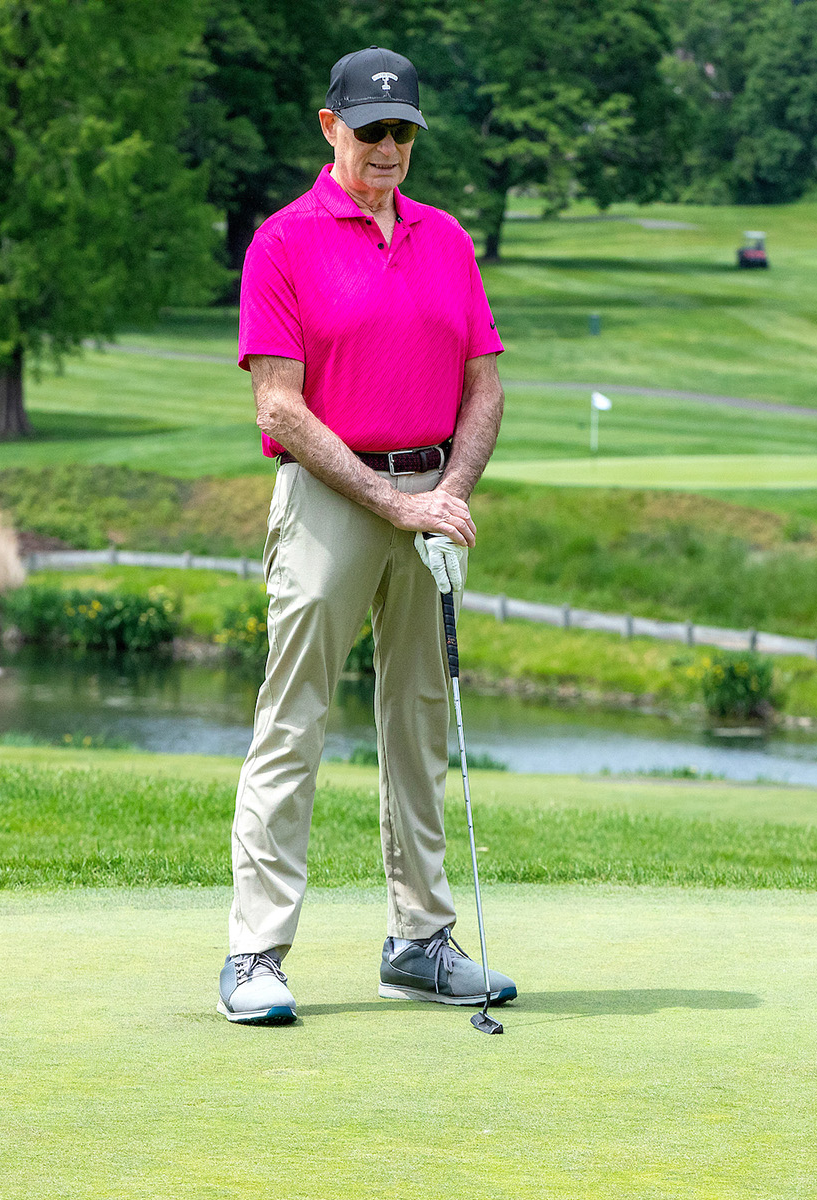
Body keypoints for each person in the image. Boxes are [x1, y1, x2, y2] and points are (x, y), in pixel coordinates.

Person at [218, 46, 516, 1025]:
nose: (389, 147)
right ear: (330, 127)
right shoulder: (283, 241)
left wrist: (447, 492)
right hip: (329, 501)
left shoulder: (446, 238)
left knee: (420, 721)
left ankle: (421, 942)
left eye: (404, 132)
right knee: (293, 719)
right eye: (371, 129)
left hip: (429, 500)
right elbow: (280, 406)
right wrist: (395, 503)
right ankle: (255, 954)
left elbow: (484, 385)